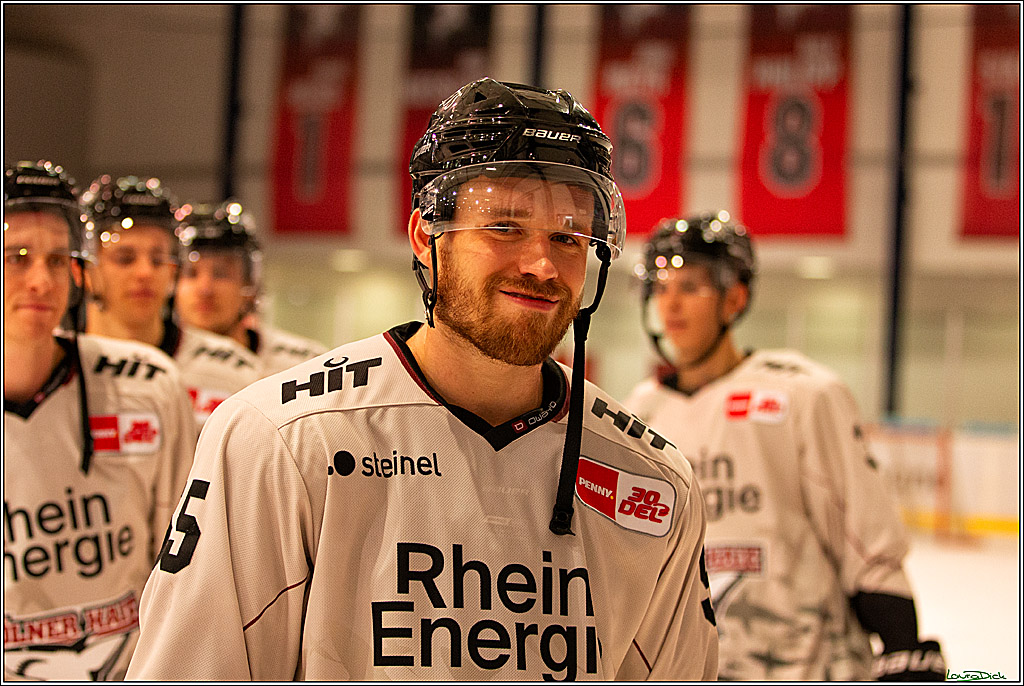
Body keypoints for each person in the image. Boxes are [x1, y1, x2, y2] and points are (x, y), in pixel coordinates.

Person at [126, 78, 719, 680]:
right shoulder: (279, 440)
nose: (542, 265)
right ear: (425, 236)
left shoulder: (657, 482)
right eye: (505, 227)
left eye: (567, 236)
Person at [624, 211, 946, 681]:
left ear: (735, 298)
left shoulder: (802, 395)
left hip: (812, 669)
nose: (670, 304)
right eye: (661, 287)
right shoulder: (638, 415)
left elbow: (862, 532)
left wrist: (901, 643)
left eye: (691, 286)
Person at [3, 161, 196, 680]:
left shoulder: (147, 383)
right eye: (16, 258)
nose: (41, 279)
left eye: (57, 258)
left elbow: (180, 562)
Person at [80, 176, 261, 428]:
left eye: (158, 259)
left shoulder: (236, 372)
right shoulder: (51, 368)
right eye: (125, 258)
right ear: (87, 270)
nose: (145, 272)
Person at [174, 200, 328, 378]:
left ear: (250, 285)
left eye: (221, 274)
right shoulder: (149, 366)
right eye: (191, 274)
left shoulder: (303, 363)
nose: (205, 288)